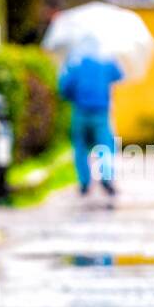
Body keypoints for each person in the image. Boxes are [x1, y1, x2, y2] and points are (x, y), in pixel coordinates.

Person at [57, 35, 123, 198]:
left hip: (80, 111)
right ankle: (106, 178)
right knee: (105, 146)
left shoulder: (75, 62)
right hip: (101, 112)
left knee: (80, 148)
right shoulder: (106, 60)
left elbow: (64, 87)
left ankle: (84, 183)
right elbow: (119, 75)